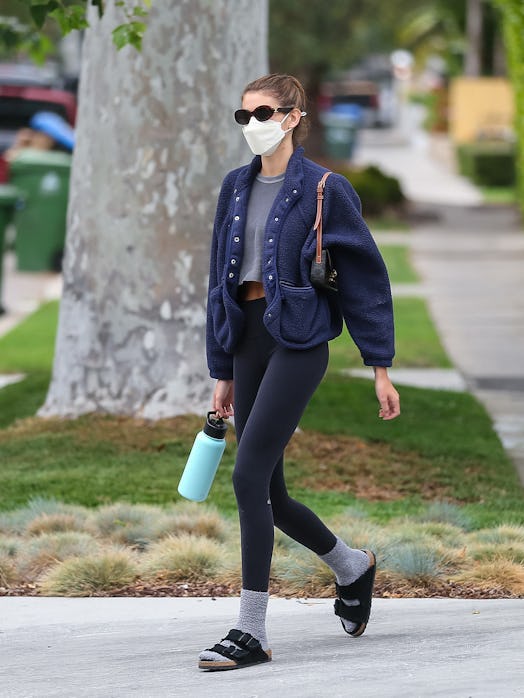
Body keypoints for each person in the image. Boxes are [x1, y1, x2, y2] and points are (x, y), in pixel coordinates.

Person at [200, 73, 400, 671]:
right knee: (272, 493)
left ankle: (251, 630)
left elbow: (366, 277)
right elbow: (220, 280)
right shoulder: (235, 186)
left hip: (301, 339)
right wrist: (222, 367)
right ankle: (351, 566)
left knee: (247, 475)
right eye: (243, 116)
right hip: (249, 338)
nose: (251, 125)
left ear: (292, 118)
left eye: (262, 113)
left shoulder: (324, 188)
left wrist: (380, 366)